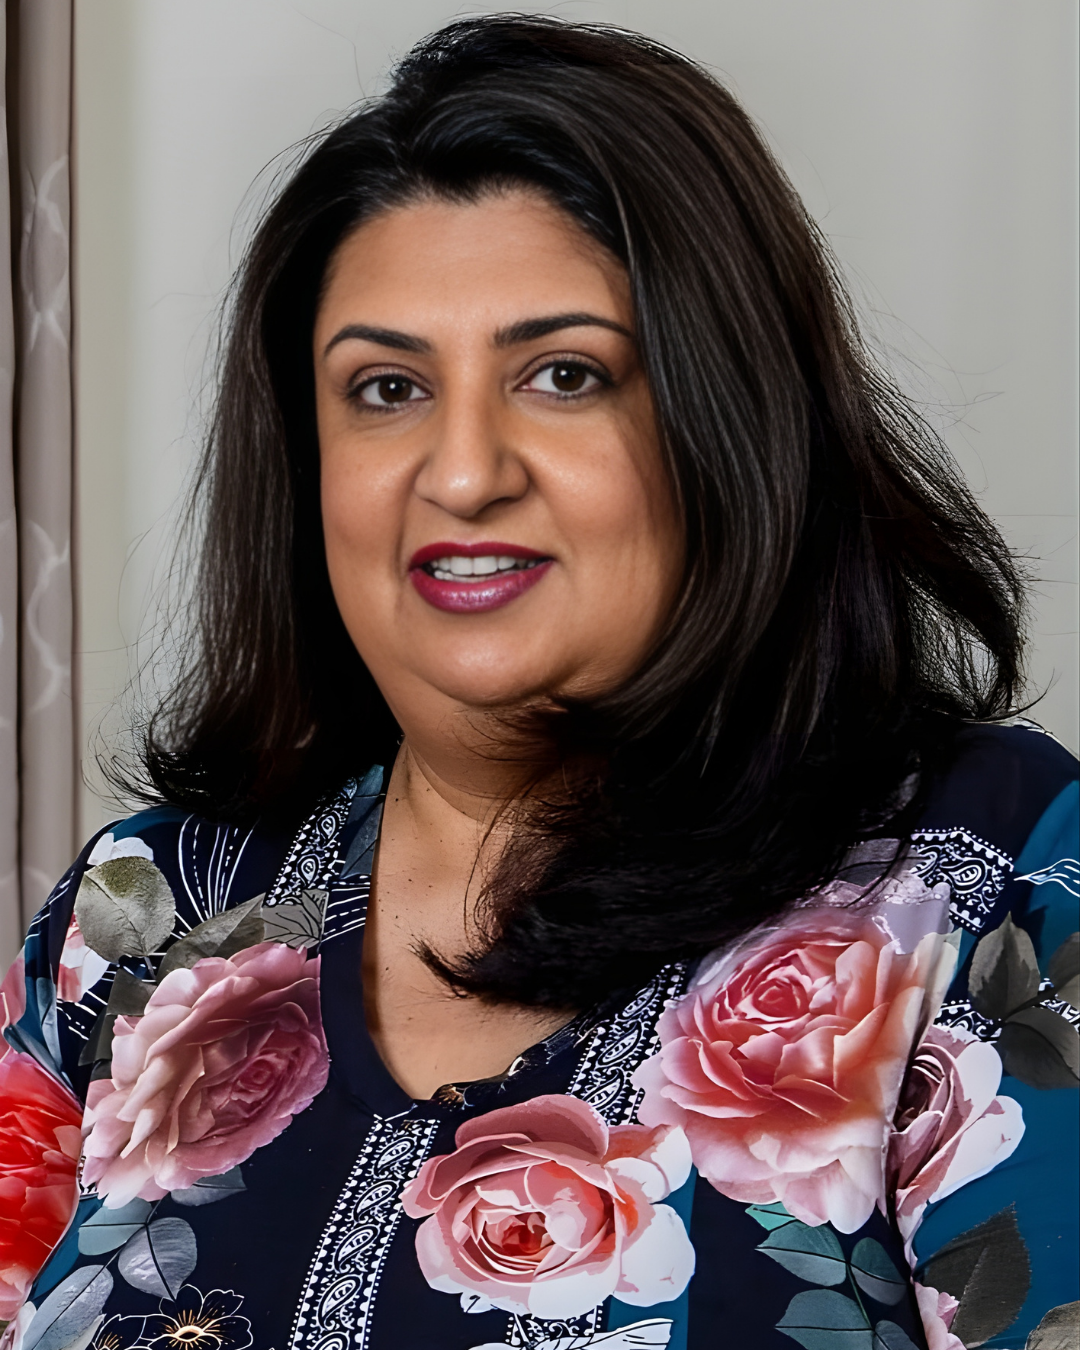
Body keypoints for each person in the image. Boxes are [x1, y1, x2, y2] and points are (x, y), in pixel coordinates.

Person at [0, 16, 1076, 1350]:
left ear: (727, 426)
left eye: (563, 376)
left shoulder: (991, 881)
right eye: (385, 388)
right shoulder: (140, 914)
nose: (463, 473)